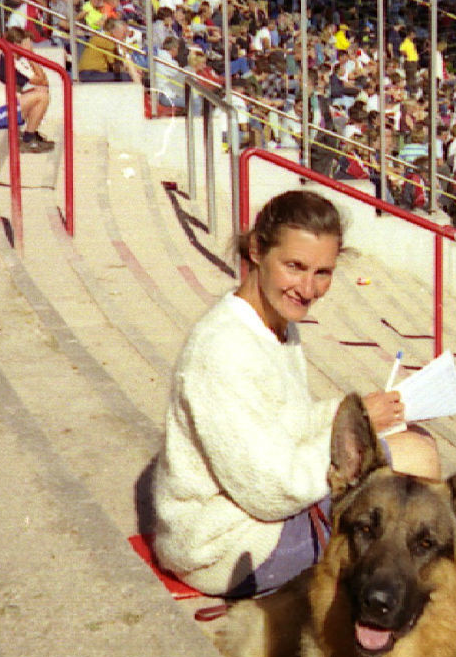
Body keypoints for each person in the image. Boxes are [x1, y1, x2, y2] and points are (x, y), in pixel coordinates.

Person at [153, 190, 439, 598]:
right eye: (295, 267)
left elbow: (283, 425)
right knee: (416, 455)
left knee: (412, 438)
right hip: (222, 548)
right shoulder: (222, 348)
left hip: (254, 519)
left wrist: (354, 416)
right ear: (256, 250)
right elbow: (272, 490)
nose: (308, 287)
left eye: (322, 272)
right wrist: (357, 432)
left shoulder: (276, 325)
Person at [0, 25, 54, 153]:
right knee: (41, 96)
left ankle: (30, 135)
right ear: (16, 44)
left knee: (41, 91)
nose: (30, 48)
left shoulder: (18, 60)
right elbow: (40, 80)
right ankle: (28, 139)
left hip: (10, 105)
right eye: (27, 45)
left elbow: (43, 82)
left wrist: (30, 57)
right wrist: (31, 56)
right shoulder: (7, 61)